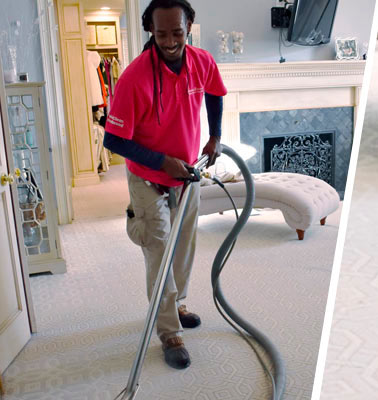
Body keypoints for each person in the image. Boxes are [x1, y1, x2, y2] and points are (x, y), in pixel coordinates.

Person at [104, 0, 227, 369]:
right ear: (150, 31)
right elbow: (113, 139)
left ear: (189, 25)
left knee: (184, 243)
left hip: (187, 173)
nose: (170, 41)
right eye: (161, 34)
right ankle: (169, 332)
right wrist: (162, 162)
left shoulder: (201, 61)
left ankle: (178, 302)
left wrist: (215, 137)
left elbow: (215, 93)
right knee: (159, 247)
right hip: (148, 177)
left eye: (177, 32)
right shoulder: (134, 77)